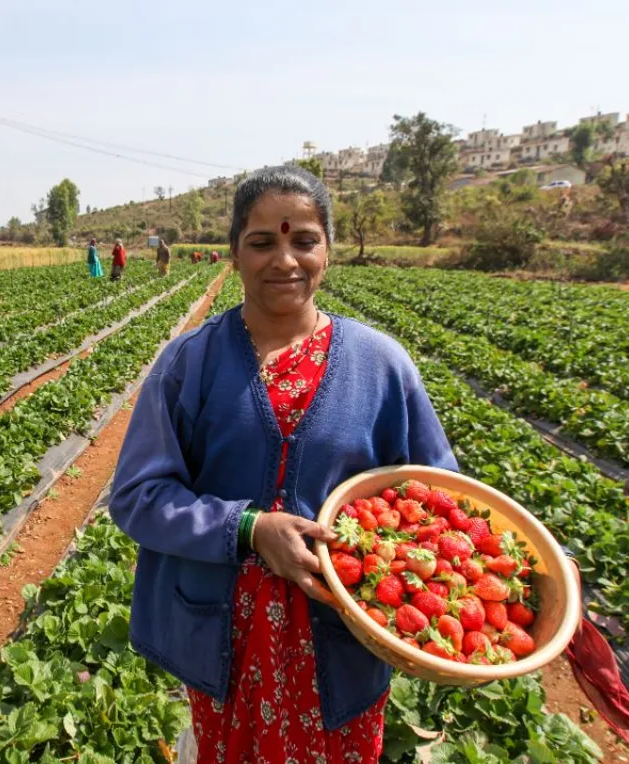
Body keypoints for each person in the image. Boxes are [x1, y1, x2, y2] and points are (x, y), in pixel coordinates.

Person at [108, 167, 459, 762]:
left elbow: (440, 501)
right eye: (263, 242)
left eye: (304, 241)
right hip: (226, 638)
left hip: (344, 634)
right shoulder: (188, 363)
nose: (285, 261)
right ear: (233, 253)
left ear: (329, 250)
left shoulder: (382, 367)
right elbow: (138, 496)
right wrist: (249, 528)